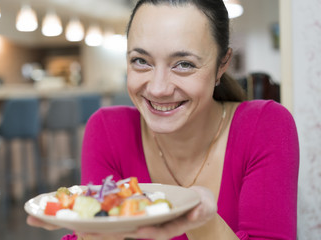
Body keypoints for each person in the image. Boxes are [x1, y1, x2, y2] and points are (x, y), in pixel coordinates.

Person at [27, 0, 299, 239]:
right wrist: (97, 231)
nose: (157, 89)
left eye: (184, 64)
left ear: (222, 65)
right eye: (141, 60)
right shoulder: (108, 131)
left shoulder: (266, 126)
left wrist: (200, 222)